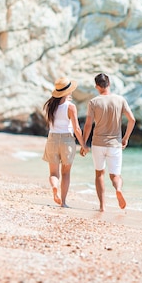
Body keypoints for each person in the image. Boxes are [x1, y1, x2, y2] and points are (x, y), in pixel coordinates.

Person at [80, 73, 135, 211]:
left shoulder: (94, 102)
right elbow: (132, 120)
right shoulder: (120, 100)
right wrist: (126, 138)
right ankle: (118, 189)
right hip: (115, 144)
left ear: (97, 86)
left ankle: (102, 206)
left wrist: (83, 143)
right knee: (115, 175)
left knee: (99, 174)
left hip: (98, 143)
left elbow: (88, 125)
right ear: (109, 84)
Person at [42, 77, 86, 207]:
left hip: (52, 139)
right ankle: (64, 202)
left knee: (53, 173)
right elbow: (77, 128)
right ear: (68, 92)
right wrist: (83, 145)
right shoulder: (71, 107)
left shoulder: (50, 105)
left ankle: (54, 188)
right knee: (65, 173)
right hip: (67, 140)